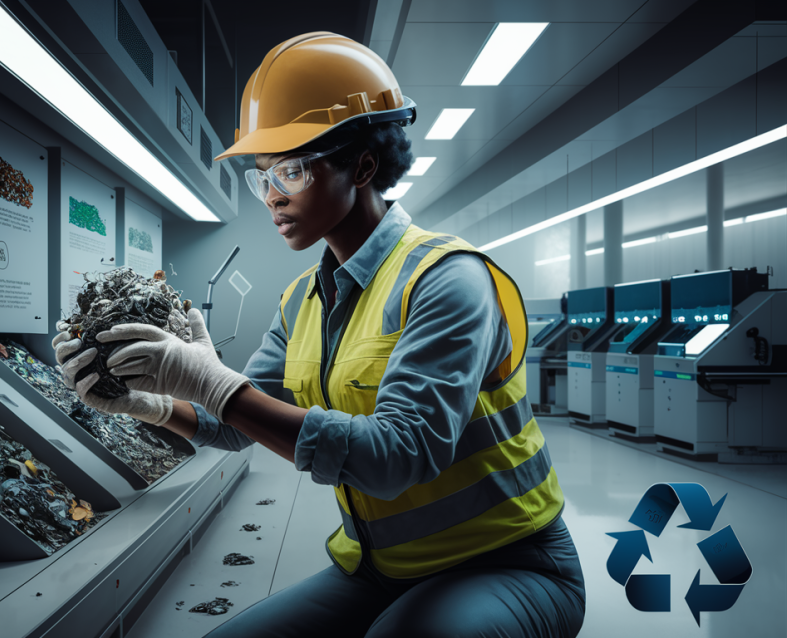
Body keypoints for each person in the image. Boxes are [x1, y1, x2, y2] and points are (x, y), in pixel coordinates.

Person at [53, 32, 585, 638]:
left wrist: (211, 379)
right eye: (263, 178)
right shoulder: (303, 300)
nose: (273, 196)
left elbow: (398, 458)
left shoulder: (447, 280)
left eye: (292, 170)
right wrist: (149, 404)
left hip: (507, 563)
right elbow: (236, 422)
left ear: (363, 165)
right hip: (381, 568)